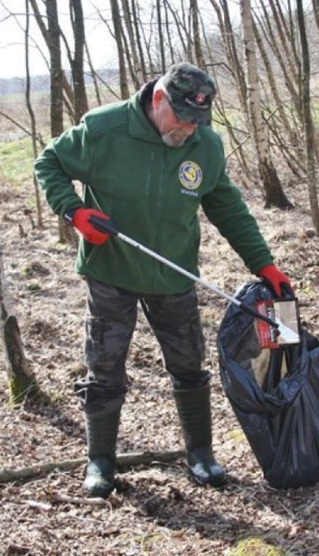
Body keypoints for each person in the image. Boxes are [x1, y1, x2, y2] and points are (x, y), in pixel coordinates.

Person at [34, 62, 292, 498]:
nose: (190, 128)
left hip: (173, 272)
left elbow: (227, 207)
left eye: (199, 120)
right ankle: (100, 461)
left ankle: (201, 454)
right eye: (183, 117)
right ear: (158, 101)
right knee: (105, 367)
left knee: (189, 364)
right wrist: (74, 211)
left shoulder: (205, 146)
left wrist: (263, 265)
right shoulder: (103, 129)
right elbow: (49, 163)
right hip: (110, 269)